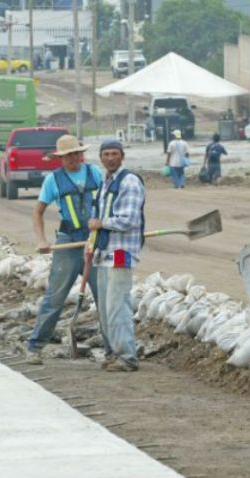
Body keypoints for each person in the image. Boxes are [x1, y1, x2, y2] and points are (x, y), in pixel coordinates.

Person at [26, 135, 104, 364]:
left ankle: (114, 350)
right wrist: (41, 240)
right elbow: (37, 212)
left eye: (76, 154)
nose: (73, 159)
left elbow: (108, 201)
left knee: (104, 296)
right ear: (60, 158)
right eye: (68, 156)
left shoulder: (94, 173)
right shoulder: (53, 180)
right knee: (55, 297)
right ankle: (34, 347)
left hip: (94, 241)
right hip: (68, 241)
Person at [87, 139, 146, 372]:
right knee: (104, 306)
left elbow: (129, 219)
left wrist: (102, 223)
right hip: (104, 252)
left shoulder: (129, 181)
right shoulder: (105, 182)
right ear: (100, 158)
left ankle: (127, 357)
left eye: (114, 154)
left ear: (122, 156)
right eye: (106, 154)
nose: (110, 158)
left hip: (121, 252)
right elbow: (98, 216)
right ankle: (113, 351)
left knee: (117, 304)